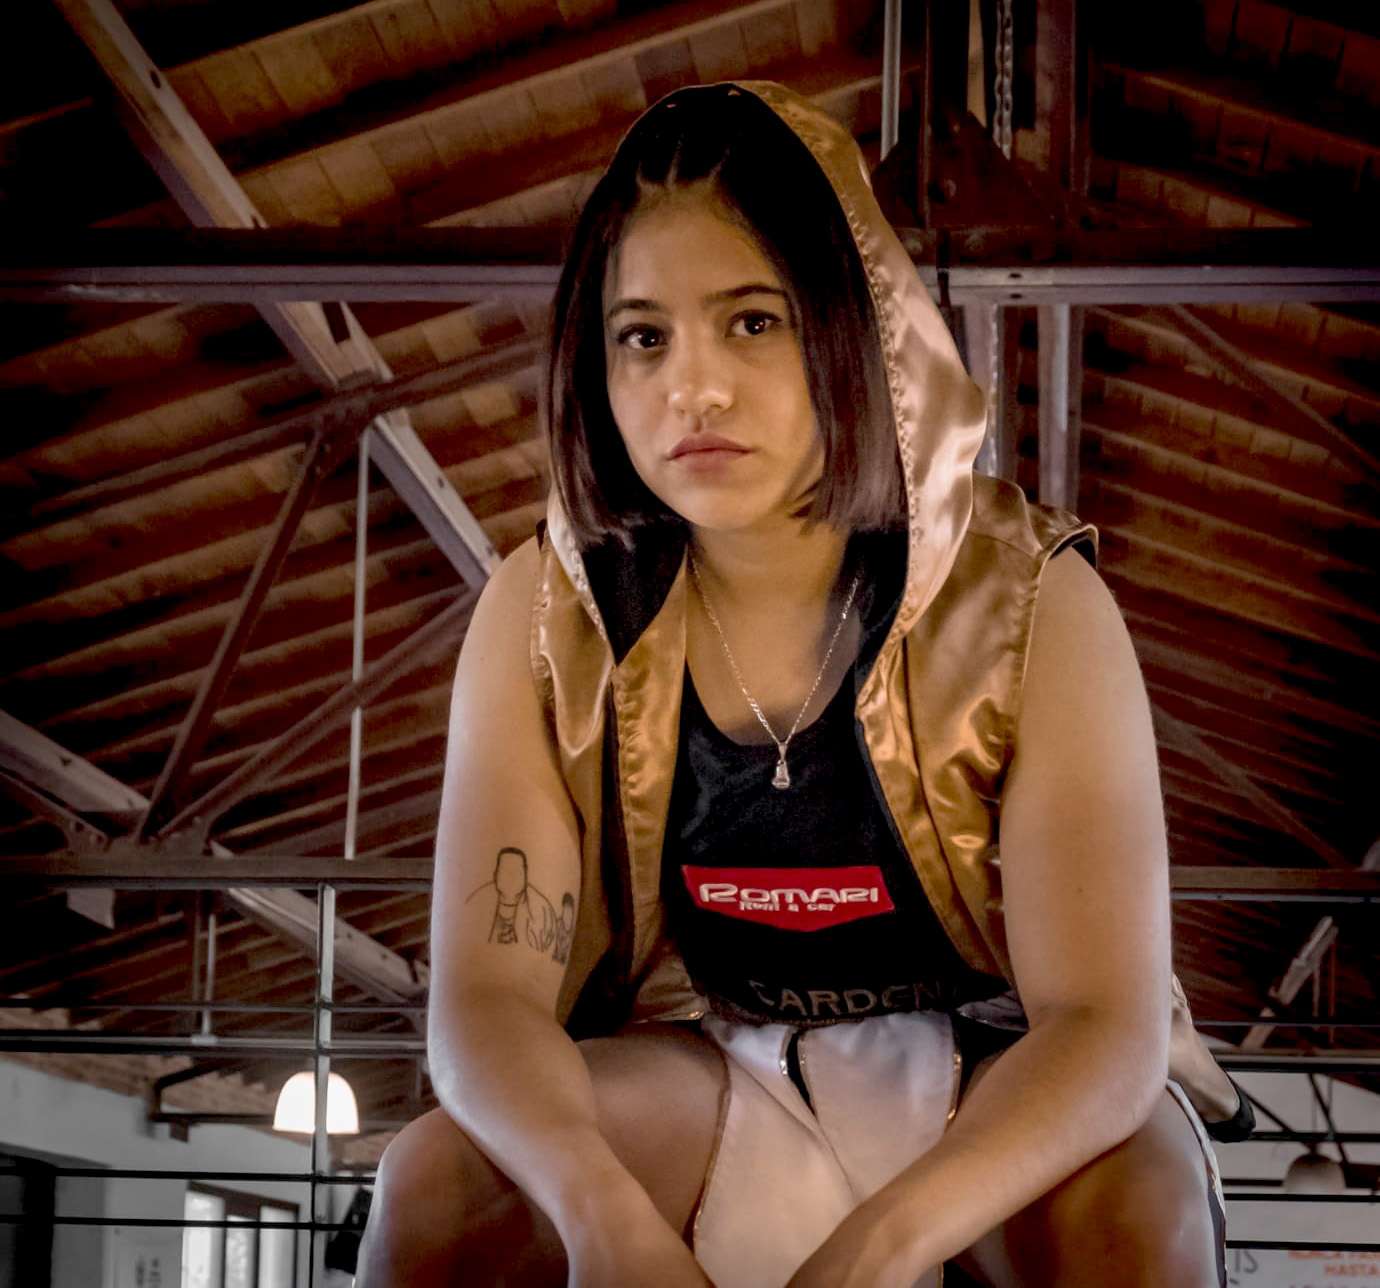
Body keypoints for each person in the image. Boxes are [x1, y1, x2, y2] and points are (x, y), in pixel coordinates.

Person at [357, 81, 1252, 1287]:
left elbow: (1101, 1021)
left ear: (853, 327)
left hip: (997, 1067)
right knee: (434, 1183)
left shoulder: (1030, 600)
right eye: (643, 337)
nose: (695, 388)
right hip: (705, 1054)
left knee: (1140, 1209)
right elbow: (484, 1002)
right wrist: (604, 1221)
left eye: (752, 322)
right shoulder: (549, 613)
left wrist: (877, 1250)